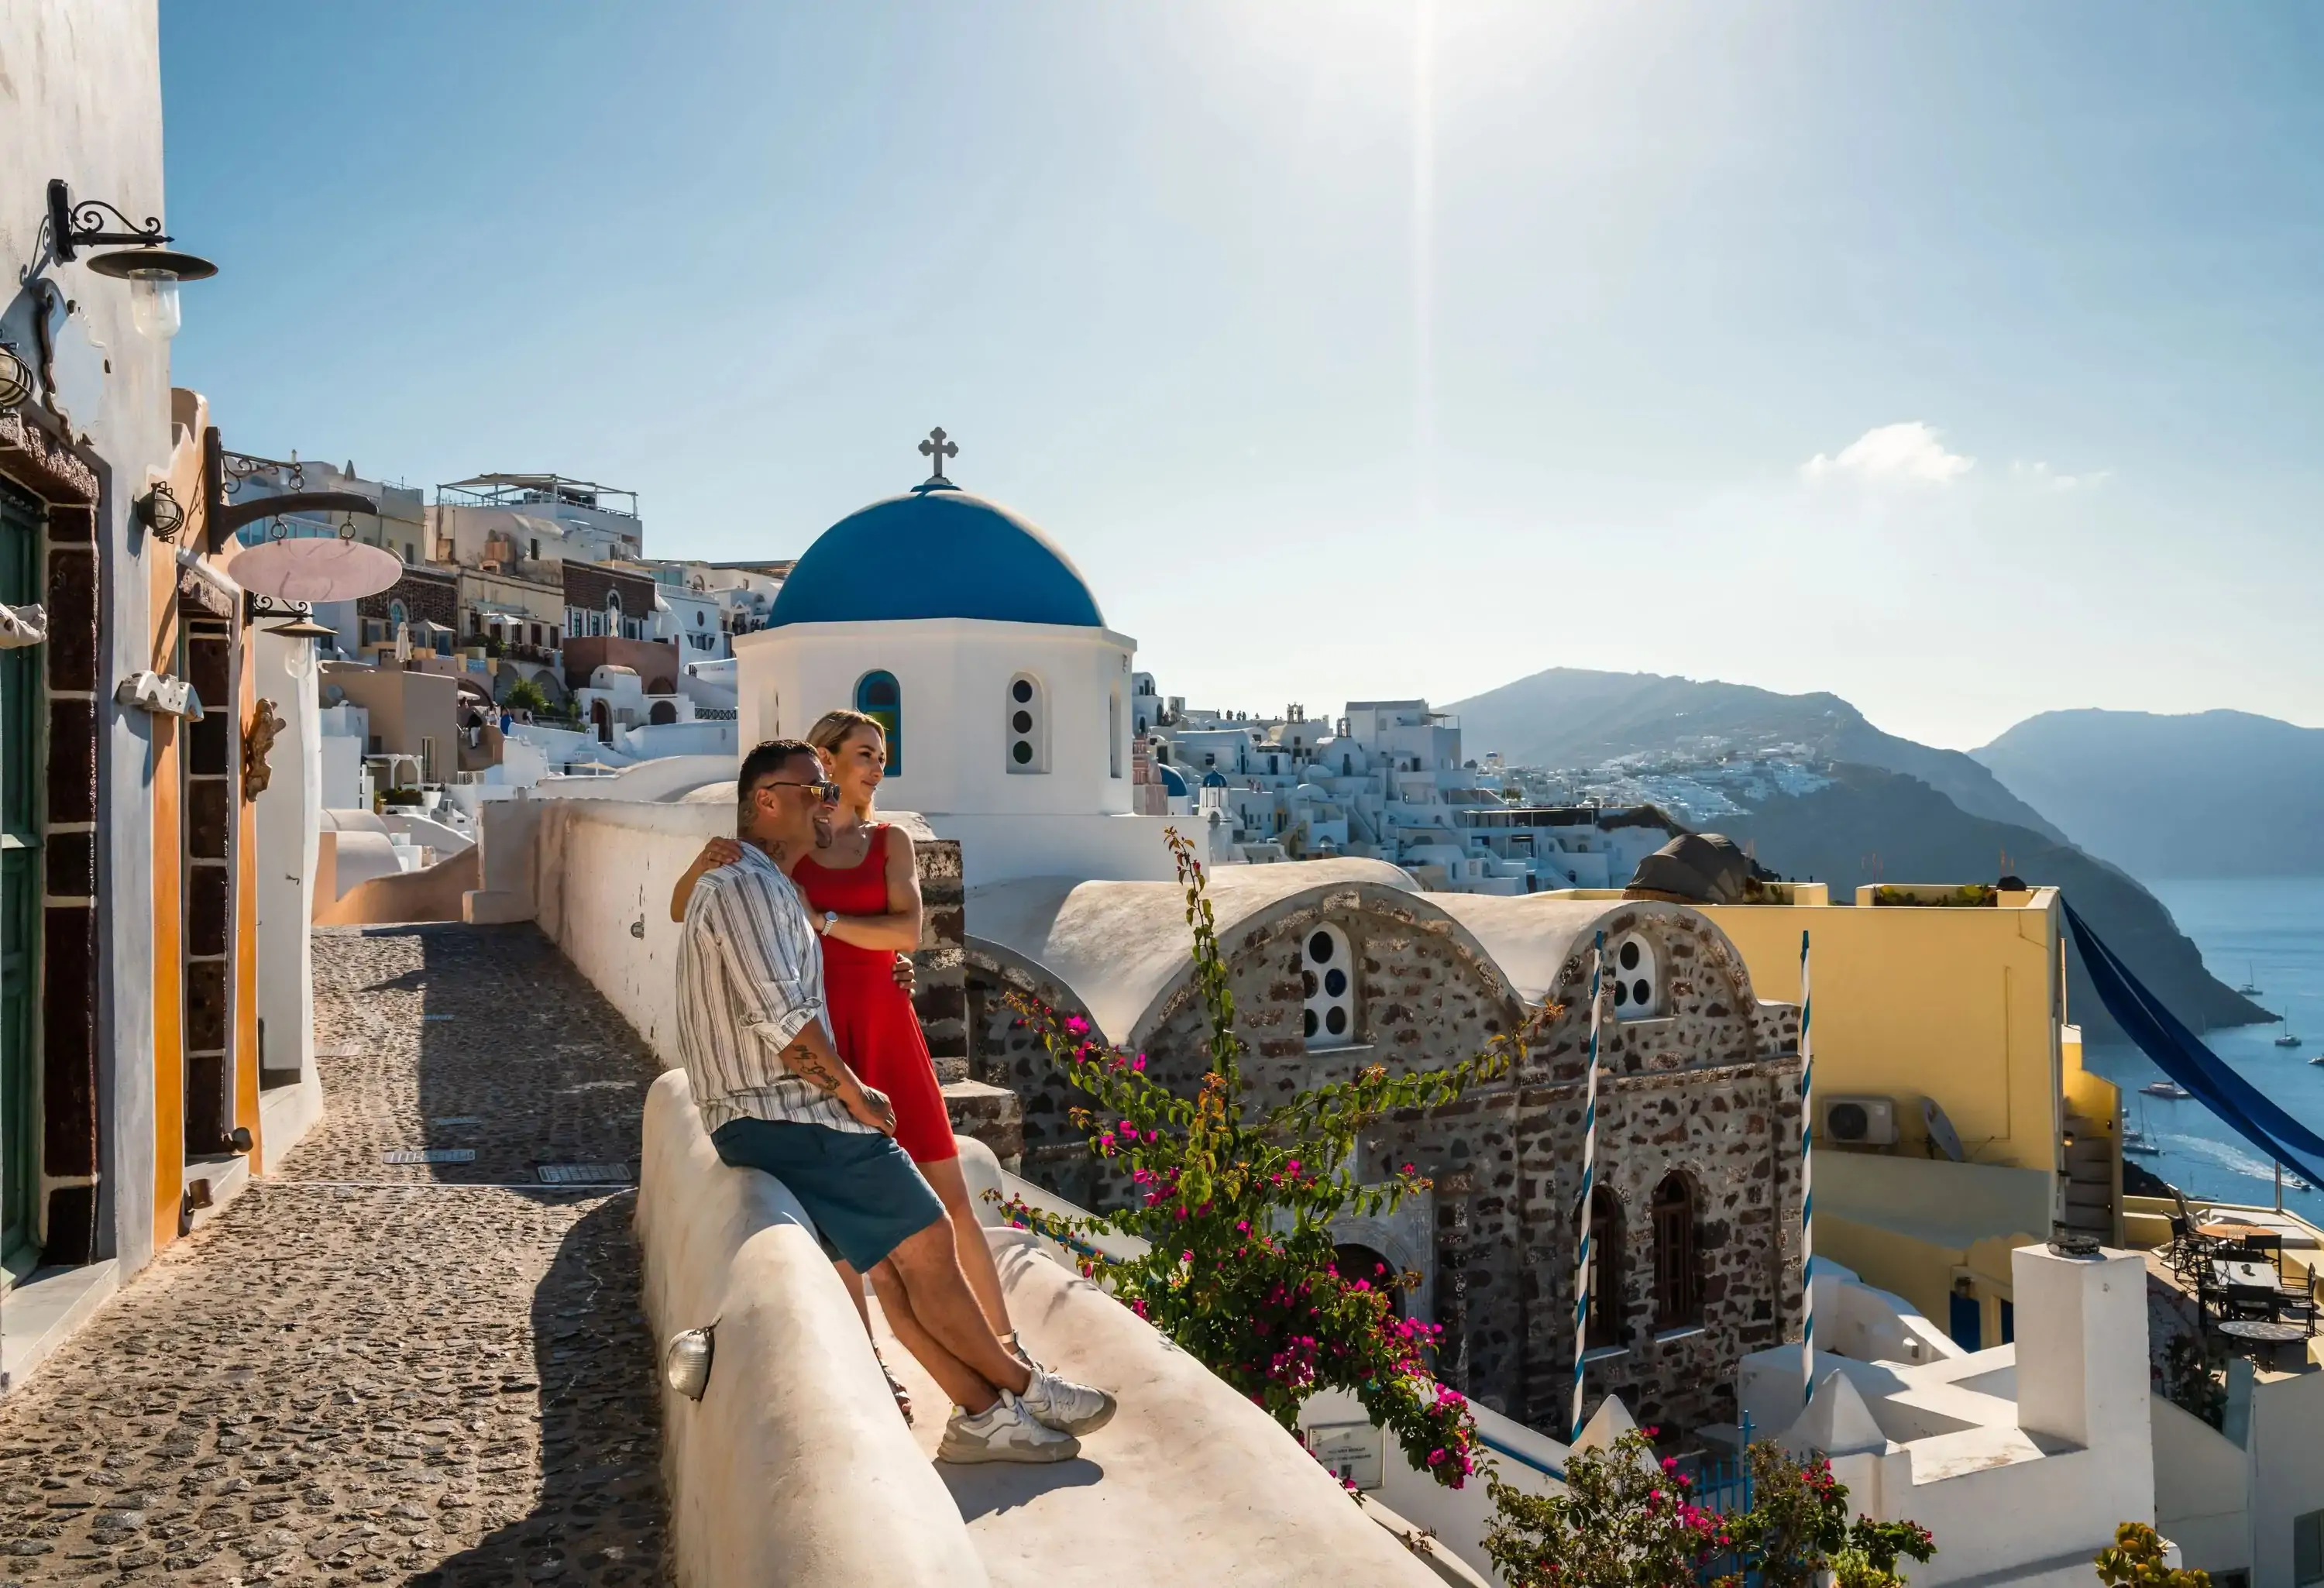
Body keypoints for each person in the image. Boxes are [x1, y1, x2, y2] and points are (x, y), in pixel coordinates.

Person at [675, 738, 1115, 1463]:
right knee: (930, 1240)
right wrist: (856, 1095)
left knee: (894, 1264)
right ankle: (1023, 1386)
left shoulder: (766, 885)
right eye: (810, 788)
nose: (826, 801)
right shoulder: (749, 886)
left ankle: (980, 1414)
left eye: (827, 789)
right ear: (765, 801)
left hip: (772, 1110)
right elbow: (783, 1023)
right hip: (785, 1111)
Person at [672, 710, 1028, 1383]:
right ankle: (874, 1370)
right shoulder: (778, 851)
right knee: (848, 1228)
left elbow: (908, 932)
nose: (875, 767)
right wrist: (698, 865)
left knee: (946, 1196)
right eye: (861, 754)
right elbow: (696, 910)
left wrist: (829, 922)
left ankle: (1005, 1348)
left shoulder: (884, 840)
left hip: (873, 1018)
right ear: (823, 763)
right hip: (813, 1029)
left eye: (881, 754)